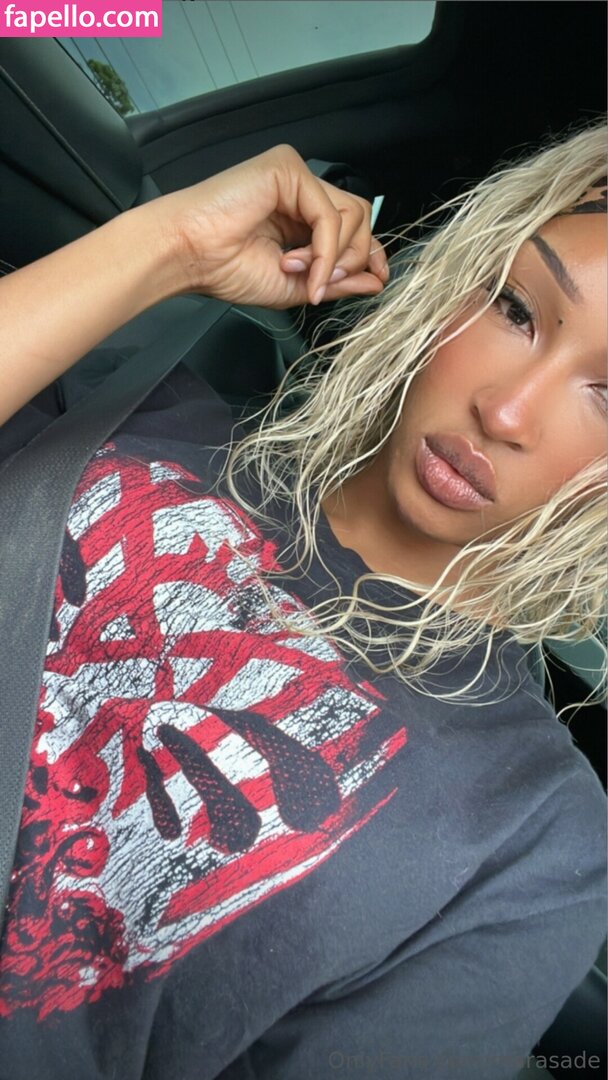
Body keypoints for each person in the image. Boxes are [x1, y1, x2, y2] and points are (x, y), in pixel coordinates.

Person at [0, 126, 605, 1080]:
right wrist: (169, 246)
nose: (507, 410)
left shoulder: (533, 830)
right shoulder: (146, 406)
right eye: (514, 307)